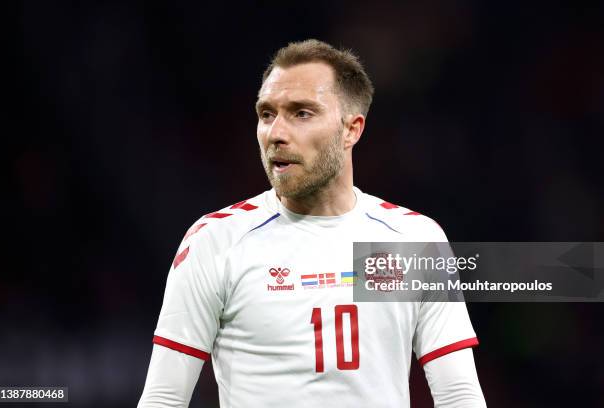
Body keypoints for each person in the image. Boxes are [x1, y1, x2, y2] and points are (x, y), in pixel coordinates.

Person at [138, 39, 486, 407]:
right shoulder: (216, 241)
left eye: (301, 113)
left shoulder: (415, 239)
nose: (276, 133)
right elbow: (164, 398)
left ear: (352, 129)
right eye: (267, 113)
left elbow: (458, 395)